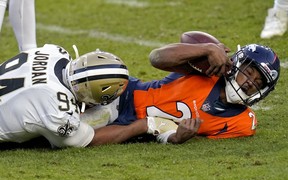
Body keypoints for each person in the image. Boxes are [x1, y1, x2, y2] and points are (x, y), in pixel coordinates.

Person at [85, 41, 280, 144]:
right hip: (123, 96)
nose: (249, 83)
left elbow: (201, 140)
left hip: (144, 129)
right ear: (236, 63)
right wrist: (207, 48)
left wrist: (183, 136)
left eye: (258, 82)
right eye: (248, 72)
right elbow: (157, 58)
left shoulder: (243, 124)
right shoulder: (209, 71)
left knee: (76, 139)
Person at [0, 44, 185, 148]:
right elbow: (86, 140)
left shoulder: (55, 52)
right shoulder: (56, 108)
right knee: (104, 114)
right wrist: (144, 125)